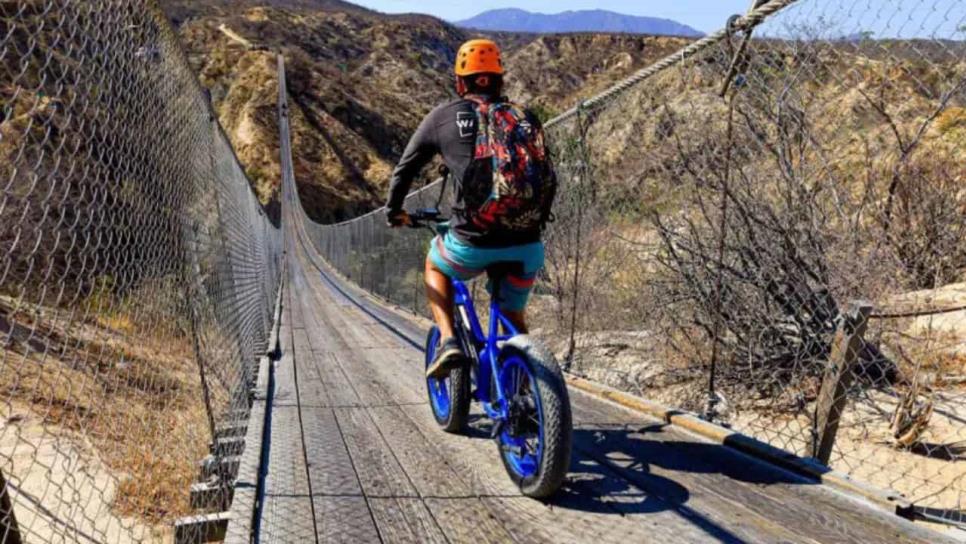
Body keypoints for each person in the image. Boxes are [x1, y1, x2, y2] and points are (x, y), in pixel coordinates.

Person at [386, 39, 556, 379]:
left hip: (471, 243)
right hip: (527, 244)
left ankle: (449, 340)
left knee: (435, 262)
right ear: (499, 80)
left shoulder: (442, 117)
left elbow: (404, 170)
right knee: (513, 317)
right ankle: (527, 382)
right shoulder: (525, 118)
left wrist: (395, 211)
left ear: (461, 82)